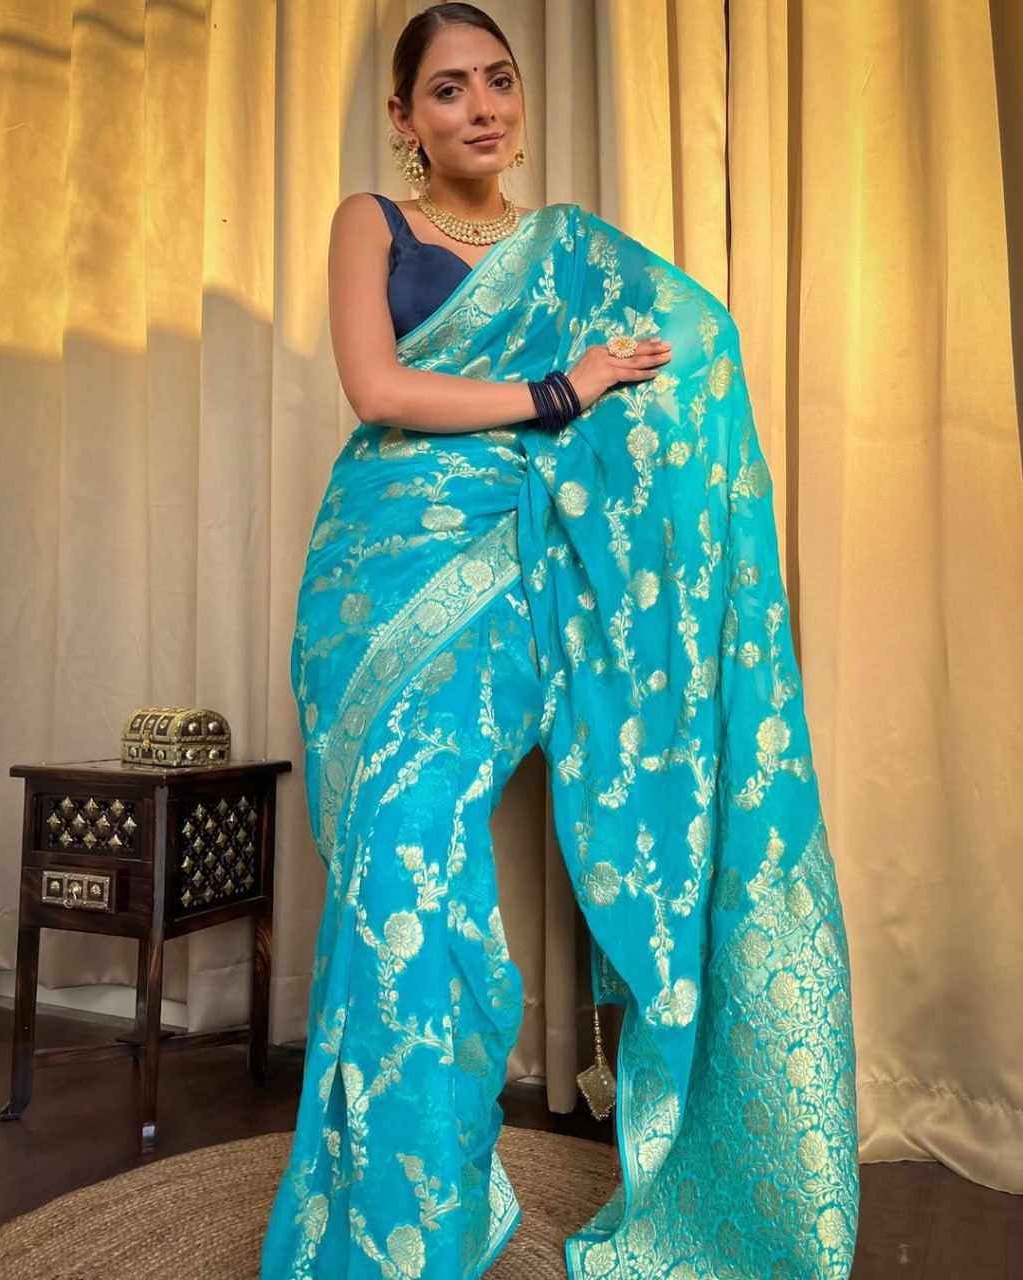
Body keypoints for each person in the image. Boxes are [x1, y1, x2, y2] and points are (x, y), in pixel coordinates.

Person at [258, 4, 861, 1278]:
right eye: (447, 89)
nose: (480, 107)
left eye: (498, 80)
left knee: (428, 868)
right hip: (376, 582)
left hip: (519, 579)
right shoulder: (373, 223)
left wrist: (639, 426)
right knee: (392, 872)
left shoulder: (571, 254)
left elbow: (698, 345)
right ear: (403, 116)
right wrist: (554, 390)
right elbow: (377, 388)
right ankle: (402, 1217)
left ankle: (424, 1206)